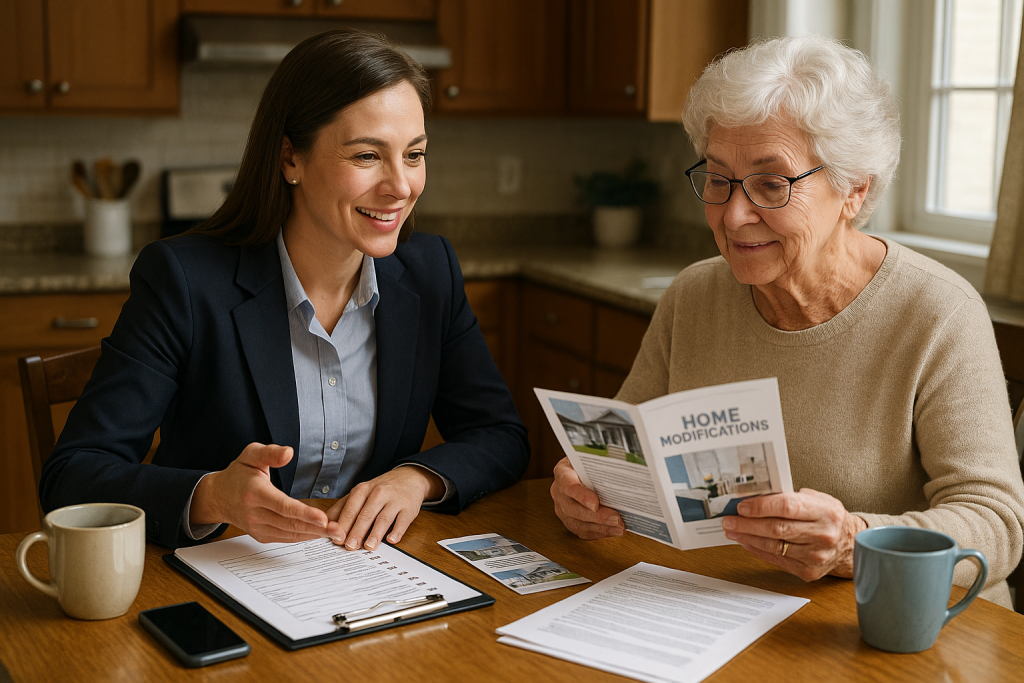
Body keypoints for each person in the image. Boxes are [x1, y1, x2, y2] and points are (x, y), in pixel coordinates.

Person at [550, 35, 1024, 608]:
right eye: (719, 179)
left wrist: (854, 541)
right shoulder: (693, 295)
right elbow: (627, 461)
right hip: (725, 606)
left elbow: (996, 526)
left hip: (904, 626)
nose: (734, 213)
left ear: (854, 189)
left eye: (772, 184)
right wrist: (587, 492)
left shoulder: (938, 312)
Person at [40, 29, 529, 551]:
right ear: (291, 159)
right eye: (367, 156)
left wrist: (415, 478)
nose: (401, 186)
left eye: (414, 154)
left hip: (369, 578)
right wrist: (213, 496)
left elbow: (499, 436)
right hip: (213, 578)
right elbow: (72, 476)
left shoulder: (431, 271)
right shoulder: (183, 279)